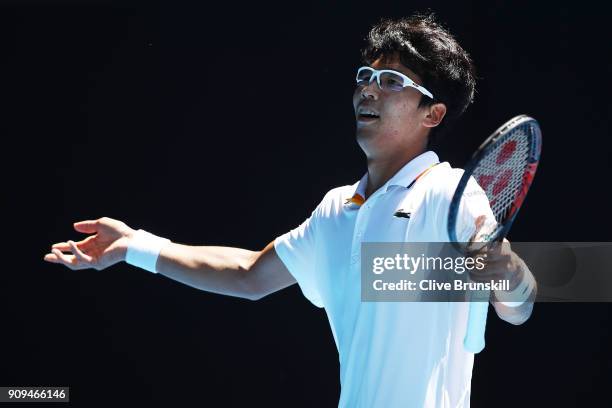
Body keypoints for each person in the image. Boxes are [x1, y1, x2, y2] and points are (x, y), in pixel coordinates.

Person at [44, 13, 536, 408]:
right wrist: (137, 245)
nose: (368, 89)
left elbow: (516, 308)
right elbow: (249, 274)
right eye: (365, 76)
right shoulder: (335, 211)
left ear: (433, 114)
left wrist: (507, 272)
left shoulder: (450, 193)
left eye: (391, 81)